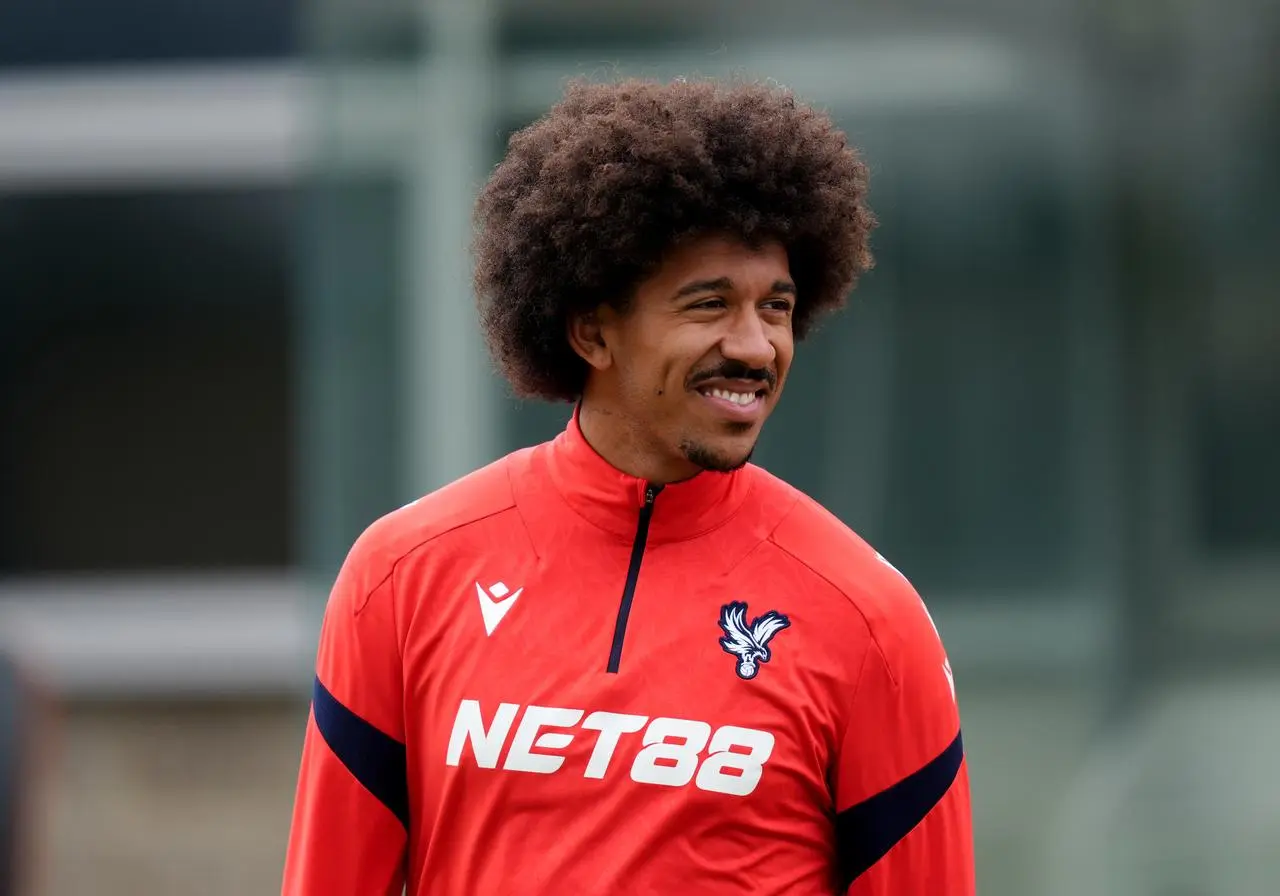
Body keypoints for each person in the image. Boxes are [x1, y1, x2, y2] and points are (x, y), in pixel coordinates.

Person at [282, 77, 974, 895]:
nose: (755, 347)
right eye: (708, 304)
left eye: (777, 308)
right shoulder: (403, 577)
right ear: (591, 331)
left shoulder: (870, 621)